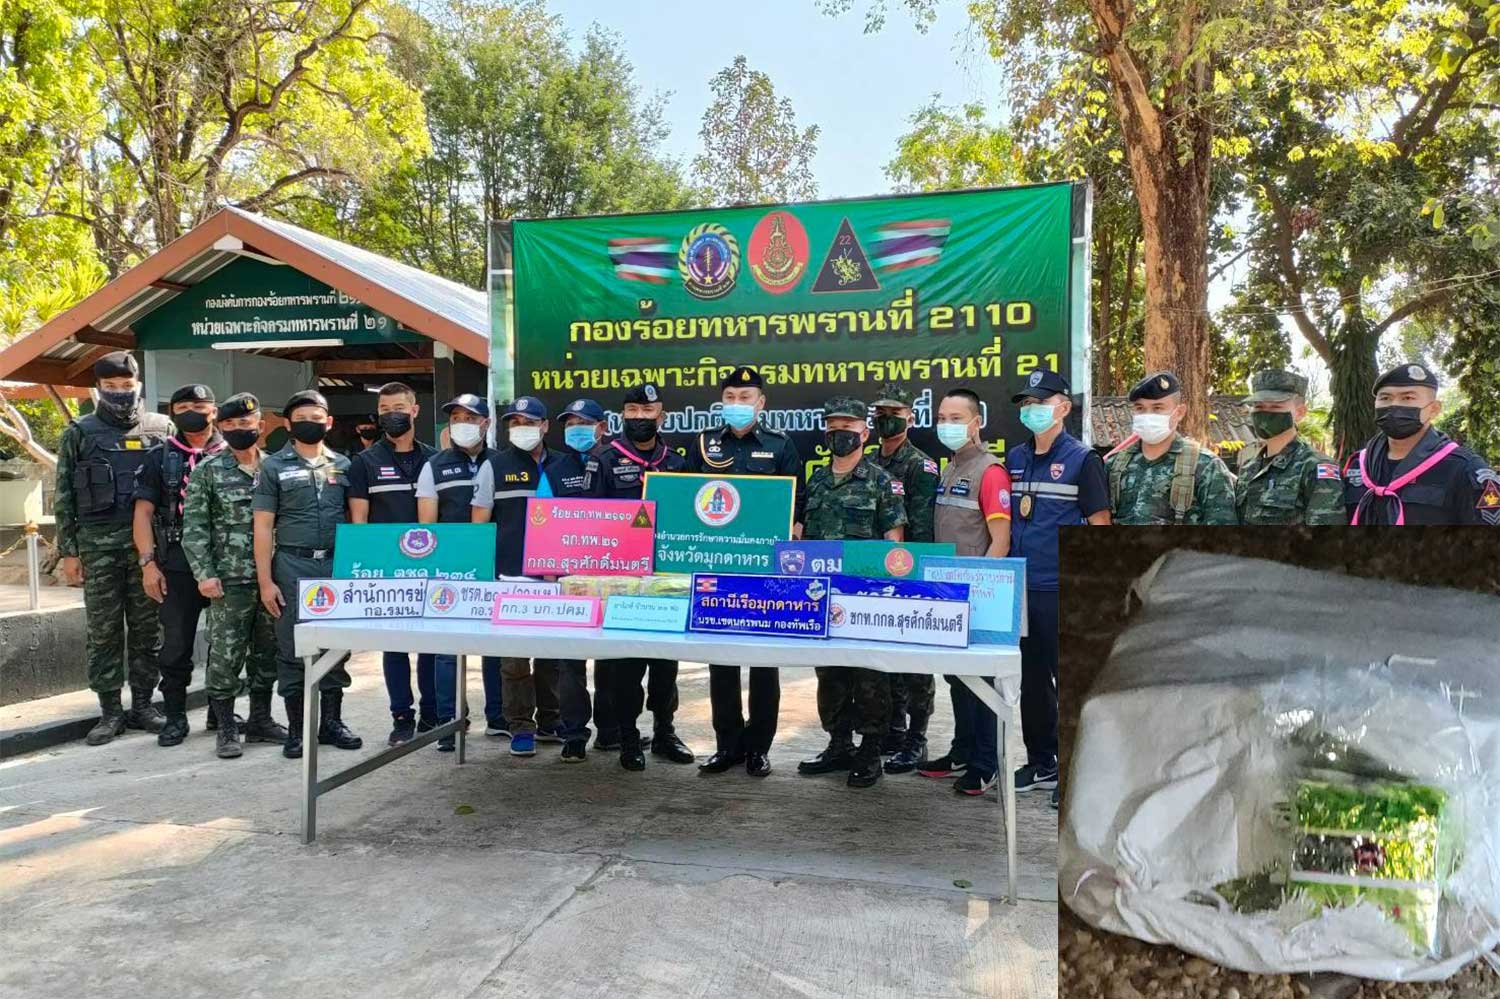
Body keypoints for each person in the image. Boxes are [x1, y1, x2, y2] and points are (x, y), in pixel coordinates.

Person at [687, 365, 804, 778]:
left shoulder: (780, 445)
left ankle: (759, 748)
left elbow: (796, 508)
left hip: (763, 571)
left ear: (761, 402)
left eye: (746, 397)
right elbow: (686, 501)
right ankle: (727, 745)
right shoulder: (702, 444)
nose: (738, 405)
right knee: (719, 661)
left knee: (762, 660)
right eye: (731, 397)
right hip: (715, 569)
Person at [54, 351, 173, 746]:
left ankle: (143, 705)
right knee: (103, 632)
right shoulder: (79, 432)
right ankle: (109, 712)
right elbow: (64, 495)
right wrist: (69, 553)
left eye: (126, 386)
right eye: (111, 387)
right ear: (99, 388)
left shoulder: (161, 427)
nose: (120, 393)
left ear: (137, 384)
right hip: (97, 548)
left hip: (147, 551)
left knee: (147, 630)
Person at [1003, 371, 1110, 804]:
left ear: (1064, 407)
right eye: (1026, 403)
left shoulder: (1085, 461)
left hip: (1060, 586)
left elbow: (1100, 527)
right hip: (1020, 586)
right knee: (1032, 680)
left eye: (1040, 402)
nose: (1031, 410)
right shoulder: (1013, 457)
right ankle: (1041, 761)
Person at [796, 396, 907, 789]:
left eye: (848, 426)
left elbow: (895, 542)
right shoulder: (817, 480)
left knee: (868, 674)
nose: (839, 433)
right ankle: (839, 743)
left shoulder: (879, 481)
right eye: (833, 426)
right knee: (830, 675)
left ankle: (871, 749)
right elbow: (802, 538)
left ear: (864, 432)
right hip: (820, 595)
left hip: (866, 597)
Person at [583, 383, 695, 771]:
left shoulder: (677, 462)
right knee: (627, 668)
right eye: (632, 411)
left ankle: (665, 732)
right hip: (623, 582)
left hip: (668, 581)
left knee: (666, 666)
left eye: (647, 412)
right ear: (622, 415)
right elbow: (593, 523)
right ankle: (628, 737)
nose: (639, 419)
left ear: (660, 417)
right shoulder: (604, 459)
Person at [470, 396, 588, 757]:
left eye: (528, 421)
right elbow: (479, 523)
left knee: (553, 655)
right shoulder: (494, 466)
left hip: (558, 576)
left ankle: (551, 719)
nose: (521, 429)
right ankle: (519, 724)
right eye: (514, 423)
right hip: (510, 576)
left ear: (545, 426)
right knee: (514, 658)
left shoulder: (567, 464)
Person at [252, 390, 363, 759]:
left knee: (336, 645)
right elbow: (264, 527)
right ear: (287, 424)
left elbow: (356, 520)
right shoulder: (273, 467)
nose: (309, 423)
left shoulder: (344, 465)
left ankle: (331, 723)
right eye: (301, 417)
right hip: (291, 567)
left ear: (329, 422)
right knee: (292, 647)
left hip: (334, 565)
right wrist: (265, 581)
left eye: (317, 417)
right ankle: (298, 731)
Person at [915, 388, 1014, 797]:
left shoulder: (990, 472)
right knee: (958, 678)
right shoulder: (950, 468)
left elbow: (1001, 540)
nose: (947, 425)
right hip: (946, 592)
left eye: (957, 418)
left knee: (982, 682)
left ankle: (985, 763)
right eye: (942, 417)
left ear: (977, 423)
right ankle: (961, 751)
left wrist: (983, 599)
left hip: (977, 598)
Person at [181, 393, 287, 758]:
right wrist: (204, 575)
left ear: (260, 425)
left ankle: (260, 719)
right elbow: (194, 529)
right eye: (232, 425)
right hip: (229, 580)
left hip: (273, 579)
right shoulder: (208, 471)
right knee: (226, 655)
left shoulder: (275, 468)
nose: (241, 429)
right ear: (222, 427)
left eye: (247, 423)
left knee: (267, 651)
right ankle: (226, 727)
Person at [132, 383, 227, 746]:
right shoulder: (160, 456)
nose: (192, 410)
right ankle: (174, 717)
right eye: (183, 405)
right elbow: (142, 513)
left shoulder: (235, 452)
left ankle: (222, 713)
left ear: (214, 410)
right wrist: (147, 564)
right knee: (175, 646)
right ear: (172, 411)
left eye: (200, 404)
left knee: (226, 644)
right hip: (176, 565)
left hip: (226, 563)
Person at [347, 382, 438, 746]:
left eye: (399, 407)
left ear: (415, 410)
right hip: (387, 571)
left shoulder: (435, 458)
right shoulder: (364, 463)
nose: (391, 414)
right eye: (384, 409)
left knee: (433, 643)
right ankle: (402, 717)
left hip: (432, 567)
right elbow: (359, 521)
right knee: (394, 645)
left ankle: (433, 714)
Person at [416, 394, 501, 751]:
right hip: (450, 571)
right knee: (448, 650)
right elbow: (427, 526)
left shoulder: (503, 462)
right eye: (456, 417)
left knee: (497, 647)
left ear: (486, 423)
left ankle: (500, 718)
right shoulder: (433, 466)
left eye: (471, 416)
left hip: (497, 568)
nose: (462, 423)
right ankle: (451, 723)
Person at [867, 383, 941, 774]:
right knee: (884, 661)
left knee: (914, 663)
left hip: (909, 571)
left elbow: (922, 528)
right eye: (878, 413)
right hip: (874, 572)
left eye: (893, 412)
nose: (885, 420)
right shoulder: (867, 461)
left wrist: (914, 575)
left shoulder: (920, 466)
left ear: (910, 418)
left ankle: (917, 738)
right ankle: (893, 731)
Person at [1344, 363, 1498, 525]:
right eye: (1385, 398)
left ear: (1434, 409)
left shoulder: (1464, 469)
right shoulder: (1358, 465)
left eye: (1408, 398)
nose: (1394, 406)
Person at [553, 397, 610, 763]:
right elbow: (542, 516)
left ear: (601, 427)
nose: (576, 427)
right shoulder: (555, 468)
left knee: (612, 656)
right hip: (569, 572)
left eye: (584, 421)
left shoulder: (616, 460)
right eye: (570, 421)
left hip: (614, 572)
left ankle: (611, 730)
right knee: (570, 658)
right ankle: (573, 733)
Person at [1106, 371, 1238, 525]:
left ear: (1180, 412)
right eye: (1140, 408)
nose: (1148, 416)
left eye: (1157, 408)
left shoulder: (1206, 467)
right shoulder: (1114, 466)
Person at [1234, 369, 1346, 525]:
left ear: (1300, 412)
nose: (1265, 414)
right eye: (1258, 407)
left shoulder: (1316, 467)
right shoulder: (1248, 469)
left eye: (1275, 407)